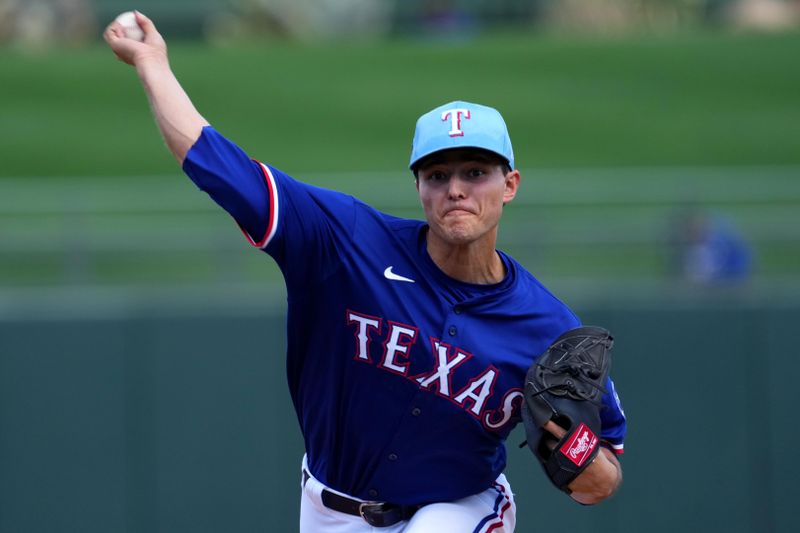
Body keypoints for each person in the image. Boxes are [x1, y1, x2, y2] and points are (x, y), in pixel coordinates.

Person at [104, 12, 626, 532]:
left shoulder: (548, 327)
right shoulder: (347, 240)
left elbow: (602, 481)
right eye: (438, 174)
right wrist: (153, 65)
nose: (457, 189)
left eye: (476, 172)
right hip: (330, 510)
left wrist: (573, 448)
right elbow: (218, 166)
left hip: (461, 509)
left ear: (509, 185)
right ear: (418, 187)